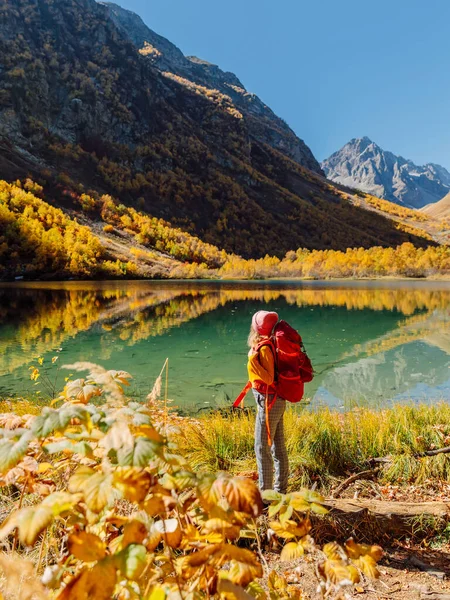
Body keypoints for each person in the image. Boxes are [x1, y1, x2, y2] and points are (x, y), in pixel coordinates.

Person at [247, 310, 289, 494]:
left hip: (269, 401)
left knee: (261, 447)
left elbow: (269, 378)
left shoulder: (265, 348)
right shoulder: (271, 343)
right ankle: (280, 490)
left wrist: (252, 363)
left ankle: (266, 495)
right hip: (276, 400)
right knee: (278, 446)